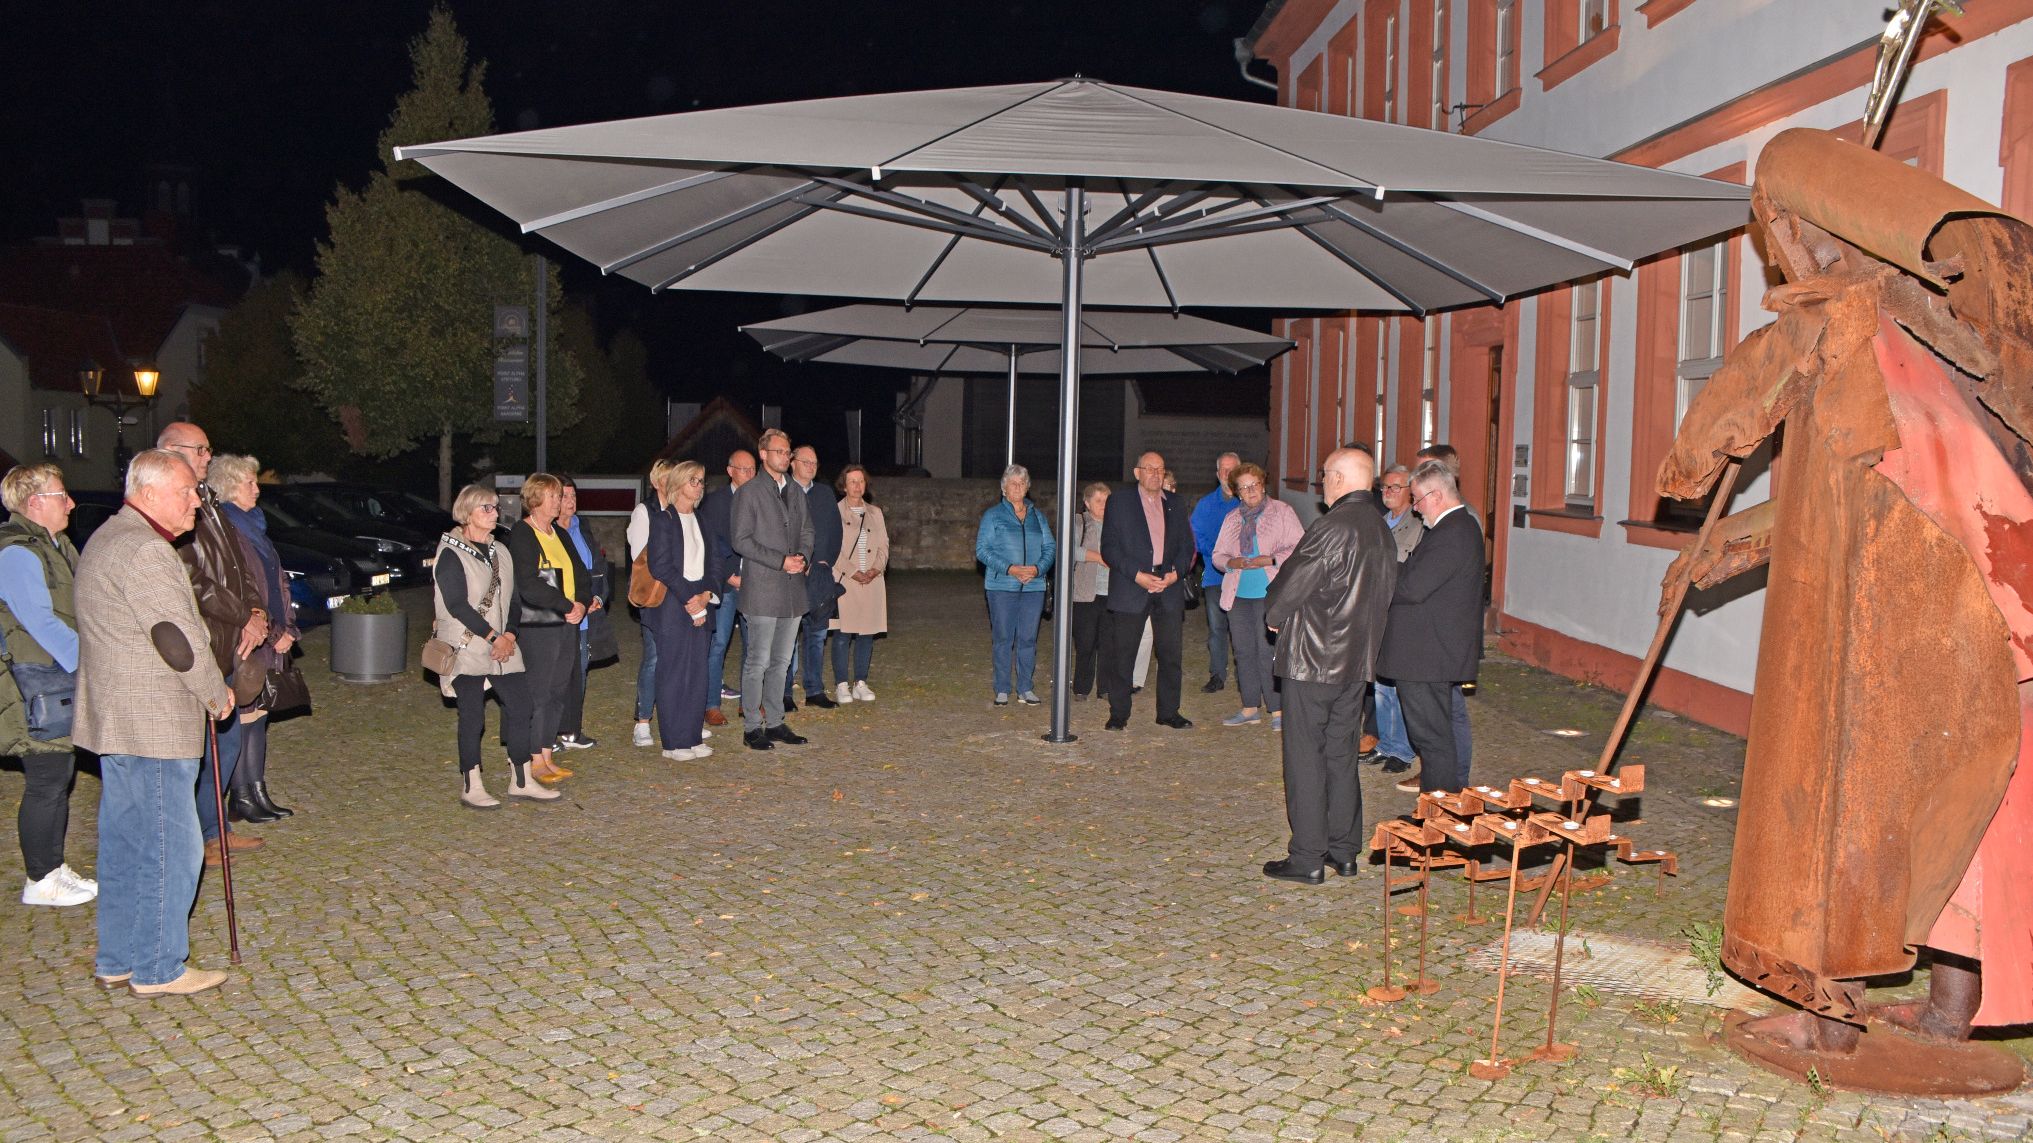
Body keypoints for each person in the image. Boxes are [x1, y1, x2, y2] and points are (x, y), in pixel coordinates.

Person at [74, 448, 234, 995]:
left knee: (126, 842)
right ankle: (159, 966)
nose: (196, 500)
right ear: (148, 493)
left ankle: (119, 957)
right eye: (187, 490)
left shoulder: (108, 538)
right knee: (171, 844)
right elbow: (177, 642)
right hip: (152, 722)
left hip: (118, 721)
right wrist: (217, 694)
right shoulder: (145, 551)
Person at [1260, 447, 1397, 884]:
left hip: (1315, 659)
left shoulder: (1333, 525)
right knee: (1340, 755)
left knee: (1305, 757)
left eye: (1324, 476)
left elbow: (1293, 582)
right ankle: (1344, 849)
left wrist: (1274, 615)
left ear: (1337, 479)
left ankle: (1307, 856)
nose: (1322, 484)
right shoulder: (1380, 527)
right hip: (1356, 661)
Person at [157, 422, 265, 867]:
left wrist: (256, 613)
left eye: (207, 448)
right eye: (199, 449)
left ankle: (214, 827)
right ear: (170, 451)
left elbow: (241, 569)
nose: (206, 456)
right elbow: (194, 583)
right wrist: (243, 615)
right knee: (198, 751)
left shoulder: (208, 502)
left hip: (228, 644)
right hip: (198, 644)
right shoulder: (171, 509)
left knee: (228, 743)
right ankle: (196, 836)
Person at [0, 464, 94, 907]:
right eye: (62, 495)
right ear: (34, 502)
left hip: (55, 676)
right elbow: (39, 620)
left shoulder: (56, 546)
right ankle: (40, 879)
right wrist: (88, 663)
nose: (70, 503)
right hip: (35, 682)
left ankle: (51, 869)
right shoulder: (18, 552)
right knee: (46, 777)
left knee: (57, 774)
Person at [432, 484, 549, 805]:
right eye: (486, 508)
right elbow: (456, 604)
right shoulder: (451, 553)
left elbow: (513, 598)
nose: (495, 513)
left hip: (503, 647)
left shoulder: (502, 552)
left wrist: (509, 635)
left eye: (496, 507)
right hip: (467, 646)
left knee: (521, 707)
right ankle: (472, 786)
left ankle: (521, 781)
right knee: (473, 717)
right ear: (466, 513)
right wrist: (493, 637)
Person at [1376, 461, 1485, 794]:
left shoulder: (1453, 533)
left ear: (1436, 495)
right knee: (1433, 736)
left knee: (1432, 739)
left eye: (1419, 499)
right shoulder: (1451, 530)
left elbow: (1412, 587)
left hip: (1428, 654)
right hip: (1427, 652)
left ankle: (1438, 815)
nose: (1416, 507)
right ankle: (1439, 810)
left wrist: (1378, 563)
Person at [207, 454, 300, 825]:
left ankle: (255, 791)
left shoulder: (254, 527)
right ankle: (242, 796)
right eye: (250, 482)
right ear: (230, 486)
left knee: (259, 714)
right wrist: (274, 633)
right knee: (246, 714)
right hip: (249, 638)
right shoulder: (229, 529)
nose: (257, 489)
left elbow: (277, 582)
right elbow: (244, 593)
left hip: (271, 632)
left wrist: (288, 627)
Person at [1099, 451, 1195, 731]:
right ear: (1137, 472)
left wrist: (1176, 573)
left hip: (1168, 587)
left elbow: (1187, 547)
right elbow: (1110, 548)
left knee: (1170, 655)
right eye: (1149, 468)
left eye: (1160, 469)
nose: (1155, 473)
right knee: (1123, 655)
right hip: (1132, 586)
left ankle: (1168, 712)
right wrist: (1138, 575)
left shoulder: (1176, 503)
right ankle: (1118, 714)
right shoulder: (1119, 502)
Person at [506, 474, 590, 785]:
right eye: (554, 496)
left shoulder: (560, 534)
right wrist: (567, 605)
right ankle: (532, 758)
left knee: (558, 691)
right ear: (536, 499)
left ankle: (547, 753)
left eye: (559, 496)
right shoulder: (523, 534)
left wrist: (581, 602)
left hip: (566, 623)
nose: (560, 502)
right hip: (539, 627)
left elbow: (580, 574)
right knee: (538, 692)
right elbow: (527, 584)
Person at [732, 429, 813, 751]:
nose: (784, 456)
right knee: (758, 660)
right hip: (764, 588)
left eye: (787, 451)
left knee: (782, 660)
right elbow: (741, 540)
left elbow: (807, 530)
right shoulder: (749, 493)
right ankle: (752, 726)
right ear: (763, 454)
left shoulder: (795, 491)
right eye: (779, 451)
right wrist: (781, 561)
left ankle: (776, 721)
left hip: (793, 590)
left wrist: (803, 557)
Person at [1211, 462, 1303, 729]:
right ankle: (1250, 706)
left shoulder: (1282, 512)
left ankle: (1277, 710)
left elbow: (1299, 547)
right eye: (1243, 487)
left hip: (1269, 591)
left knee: (1268, 651)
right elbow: (1218, 554)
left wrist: (1271, 559)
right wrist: (1232, 563)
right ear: (1237, 493)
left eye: (1254, 485)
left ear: (1263, 485)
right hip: (1238, 593)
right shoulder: (1232, 519)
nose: (1250, 491)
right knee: (1243, 651)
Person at [646, 461, 721, 761]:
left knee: (698, 672)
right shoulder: (663, 520)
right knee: (674, 672)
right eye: (694, 480)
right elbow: (661, 565)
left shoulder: (703, 521)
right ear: (678, 483)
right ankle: (673, 742)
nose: (699, 485)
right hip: (673, 607)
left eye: (702, 481)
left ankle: (691, 736)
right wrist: (691, 598)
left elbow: (716, 562)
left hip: (701, 603)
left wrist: (706, 595)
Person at [973, 464, 1055, 706]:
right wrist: (1011, 568)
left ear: (1028, 488)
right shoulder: (992, 516)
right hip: (1002, 587)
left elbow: (1050, 547)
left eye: (1022, 483)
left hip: (1033, 587)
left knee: (1029, 638)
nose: (1018, 487)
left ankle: (1025, 687)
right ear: (1004, 489)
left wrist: (1038, 568)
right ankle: (1002, 688)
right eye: (1013, 483)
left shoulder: (1037, 517)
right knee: (1003, 638)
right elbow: (982, 550)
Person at [1368, 464, 1423, 774]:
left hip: (1399, 613)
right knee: (1380, 683)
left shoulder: (1417, 526)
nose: (1387, 493)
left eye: (1395, 488)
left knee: (1398, 684)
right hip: (1374, 610)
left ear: (1410, 492)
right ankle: (1386, 743)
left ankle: (1402, 749)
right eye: (1384, 488)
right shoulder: (1378, 522)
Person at [697, 449, 755, 731]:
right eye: (744, 469)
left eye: (753, 469)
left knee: (752, 644)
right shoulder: (716, 502)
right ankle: (711, 705)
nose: (750, 474)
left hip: (756, 583)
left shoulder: (761, 499)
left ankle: (750, 700)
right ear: (731, 471)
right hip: (728, 583)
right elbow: (711, 543)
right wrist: (730, 574)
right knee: (718, 644)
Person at [553, 476, 609, 752]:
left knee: (580, 672)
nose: (571, 501)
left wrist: (597, 597)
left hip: (586, 614)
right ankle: (549, 732)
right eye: (564, 496)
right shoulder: (546, 532)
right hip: (559, 616)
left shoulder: (581, 526)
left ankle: (571, 730)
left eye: (574, 495)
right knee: (557, 674)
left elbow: (597, 566)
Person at [786, 444, 842, 711]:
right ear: (792, 463)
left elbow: (835, 531)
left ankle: (814, 690)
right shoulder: (782, 491)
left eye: (815, 462)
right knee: (788, 635)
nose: (811, 466)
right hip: (790, 572)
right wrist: (796, 561)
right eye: (806, 461)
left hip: (818, 573)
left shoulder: (824, 493)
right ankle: (783, 693)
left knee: (817, 634)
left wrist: (824, 561)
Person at [627, 460, 676, 748]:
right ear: (657, 482)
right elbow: (641, 558)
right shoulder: (644, 512)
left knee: (678, 660)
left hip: (679, 596)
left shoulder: (683, 511)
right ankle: (642, 722)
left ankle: (676, 718)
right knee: (655, 658)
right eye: (670, 479)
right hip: (655, 596)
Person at [829, 465, 888, 703]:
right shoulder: (835, 512)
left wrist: (876, 568)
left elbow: (884, 545)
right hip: (846, 581)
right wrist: (853, 571)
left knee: (866, 633)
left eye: (861, 481)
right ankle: (841, 684)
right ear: (844, 485)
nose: (857, 486)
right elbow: (832, 548)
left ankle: (860, 681)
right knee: (844, 633)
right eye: (852, 481)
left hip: (872, 581)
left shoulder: (875, 512)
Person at [1190, 451, 1240, 694]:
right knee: (1217, 629)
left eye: (1232, 469)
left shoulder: (1250, 501)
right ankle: (1217, 675)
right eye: (1223, 470)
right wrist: (1220, 556)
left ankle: (1247, 676)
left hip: (1247, 580)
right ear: (1217, 474)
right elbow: (1196, 536)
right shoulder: (1206, 505)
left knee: (1244, 629)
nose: (1227, 474)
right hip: (1215, 576)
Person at [1068, 482, 1112, 702]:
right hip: (1085, 592)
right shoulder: (1078, 522)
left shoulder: (1117, 524)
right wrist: (1099, 557)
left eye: (1107, 500)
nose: (1104, 505)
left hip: (1112, 592)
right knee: (1085, 642)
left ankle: (1105, 687)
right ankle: (1081, 687)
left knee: (1108, 643)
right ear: (1087, 503)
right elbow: (1070, 550)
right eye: (1099, 500)